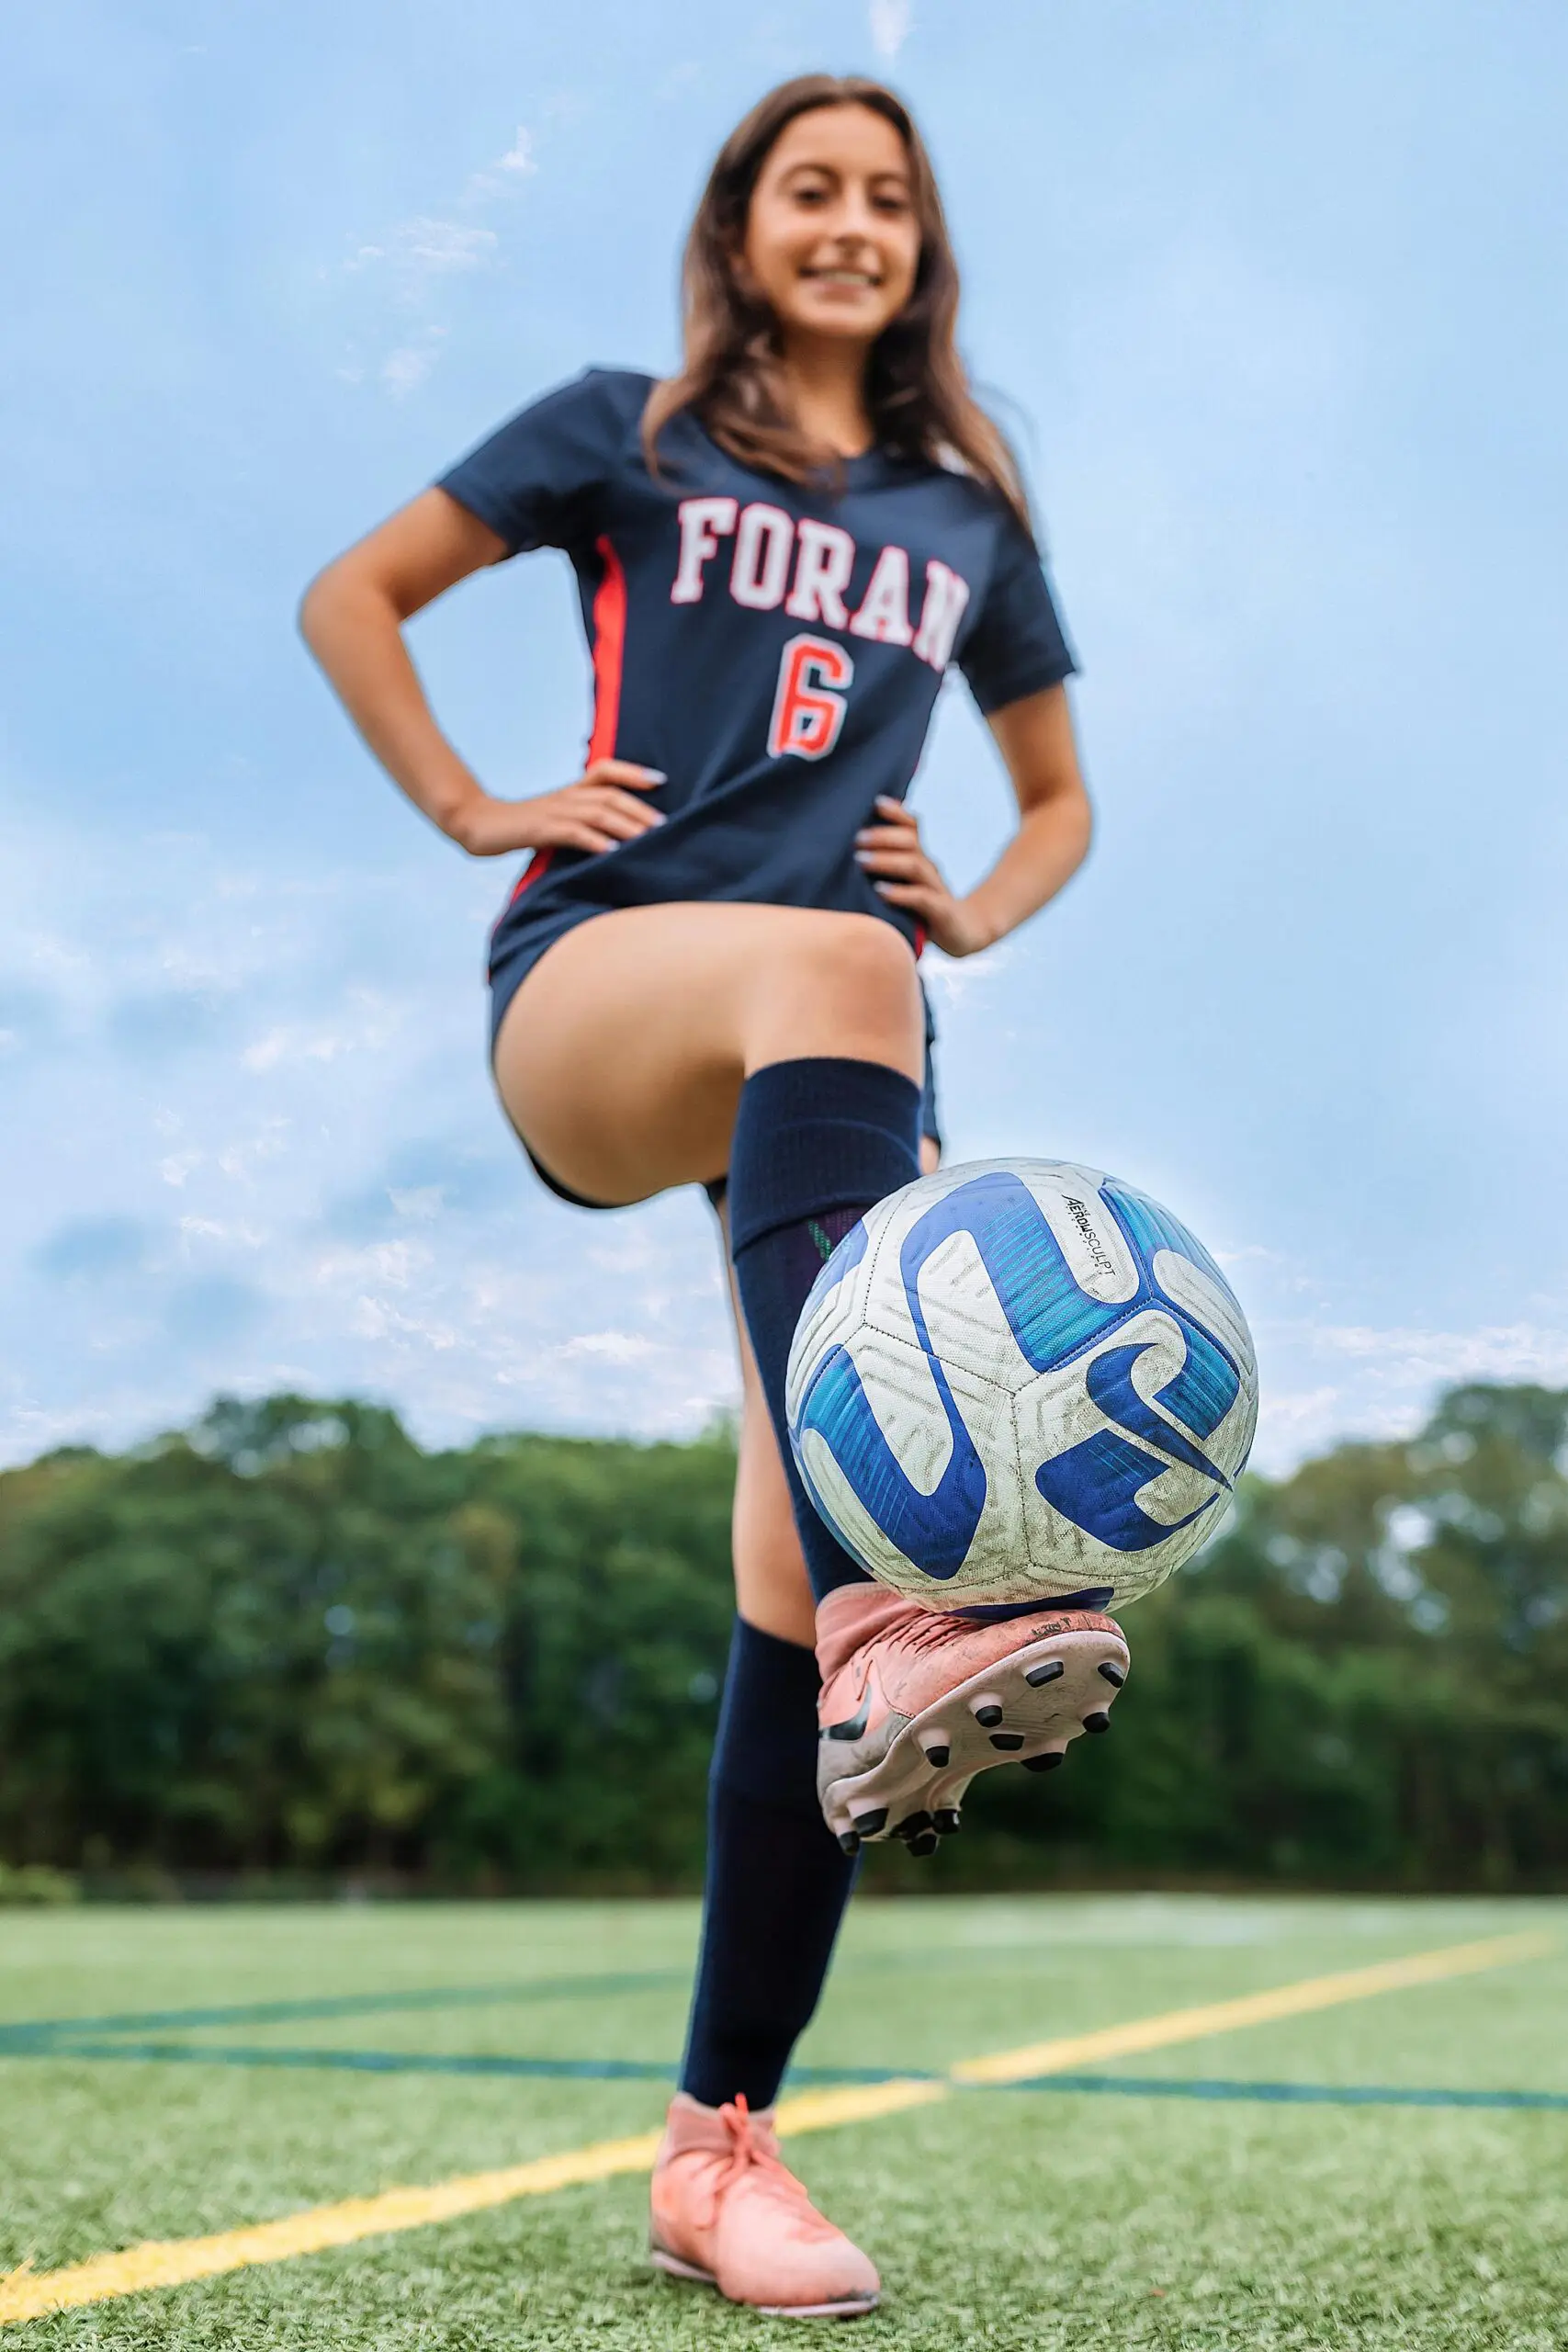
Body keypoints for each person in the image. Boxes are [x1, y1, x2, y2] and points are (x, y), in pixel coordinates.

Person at [300, 71, 1129, 2321]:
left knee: (796, 1550)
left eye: (886, 195)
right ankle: (901, 1615)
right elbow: (352, 595)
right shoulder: (622, 426)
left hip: (839, 1057)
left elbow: (1055, 796)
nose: (848, 221)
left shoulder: (966, 514)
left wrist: (980, 901)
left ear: (919, 242)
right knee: (835, 982)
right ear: (742, 224)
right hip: (604, 991)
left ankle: (714, 2144)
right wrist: (479, 796)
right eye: (808, 189)